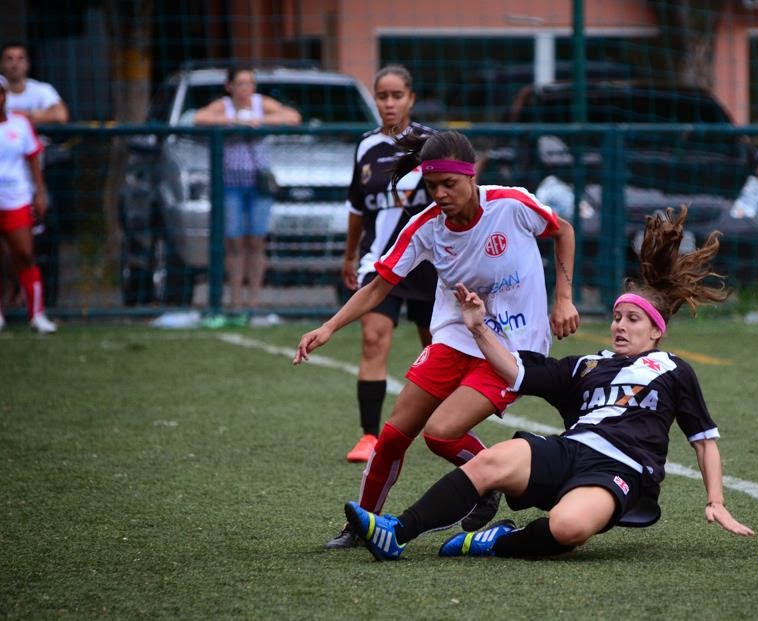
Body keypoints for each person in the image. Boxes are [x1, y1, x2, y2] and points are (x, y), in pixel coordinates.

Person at [343, 205, 755, 561]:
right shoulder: (586, 366)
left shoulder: (673, 369)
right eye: (617, 317)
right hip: (569, 449)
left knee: (569, 527)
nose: (620, 326)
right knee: (491, 460)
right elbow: (516, 373)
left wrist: (715, 500)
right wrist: (478, 327)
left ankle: (496, 542)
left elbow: (703, 439)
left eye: (633, 320)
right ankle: (396, 532)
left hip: (621, 468)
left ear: (656, 332)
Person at [293, 130, 580, 548]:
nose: (440, 194)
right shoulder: (426, 227)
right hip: (456, 338)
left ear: (472, 176)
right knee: (392, 436)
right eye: (431, 186)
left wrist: (564, 299)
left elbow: (564, 230)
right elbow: (378, 287)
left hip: (512, 349)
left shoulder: (511, 204)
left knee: (441, 433)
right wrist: (329, 327)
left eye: (449, 184)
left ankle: (486, 477)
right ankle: (361, 525)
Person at [341, 65, 438, 463]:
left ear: (411, 99)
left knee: (436, 349)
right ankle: (368, 435)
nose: (390, 103)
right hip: (381, 264)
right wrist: (349, 256)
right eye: (382, 96)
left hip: (431, 265)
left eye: (397, 95)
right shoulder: (366, 148)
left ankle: (441, 427)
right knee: (373, 338)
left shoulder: (433, 144)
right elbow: (356, 209)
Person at [194, 65, 301, 312]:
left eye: (249, 83)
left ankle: (254, 300)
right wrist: (234, 121)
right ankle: (235, 300)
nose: (245, 89)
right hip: (230, 184)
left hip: (258, 185)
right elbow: (199, 118)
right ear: (229, 86)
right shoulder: (224, 106)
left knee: (256, 240)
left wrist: (259, 121)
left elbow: (293, 116)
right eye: (240, 83)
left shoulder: (261, 103)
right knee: (234, 241)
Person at [0, 75, 56, 333]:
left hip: (16, 199)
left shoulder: (20, 125)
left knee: (24, 254)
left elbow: (33, 159)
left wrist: (40, 193)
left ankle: (37, 315)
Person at [0, 42, 69, 124]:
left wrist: (13, 116)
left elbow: (61, 116)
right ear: (1, 64)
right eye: (9, 58)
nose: (15, 64)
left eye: (20, 58)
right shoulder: (1, 91)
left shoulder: (43, 89)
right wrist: (34, 115)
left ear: (28, 63)